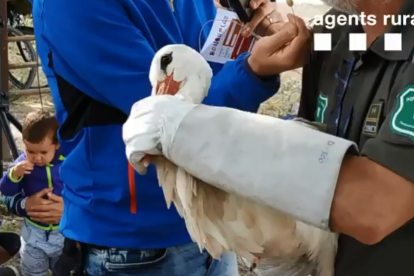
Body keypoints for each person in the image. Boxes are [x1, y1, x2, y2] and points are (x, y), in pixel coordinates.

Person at [122, 0, 414, 276]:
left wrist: (191, 131)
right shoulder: (334, 32)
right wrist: (262, 58)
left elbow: (374, 205)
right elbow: (316, 137)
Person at [30, 0, 308, 274]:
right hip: (134, 244)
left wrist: (251, 35)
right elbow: (170, 117)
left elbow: (209, 77)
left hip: (210, 223)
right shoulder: (72, 5)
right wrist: (252, 70)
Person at [0, 110, 65, 276]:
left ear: (56, 144)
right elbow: (5, 190)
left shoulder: (67, 161)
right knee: (32, 271)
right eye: (30, 151)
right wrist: (14, 175)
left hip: (63, 231)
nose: (36, 158)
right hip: (33, 231)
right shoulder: (22, 164)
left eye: (43, 152)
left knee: (64, 269)